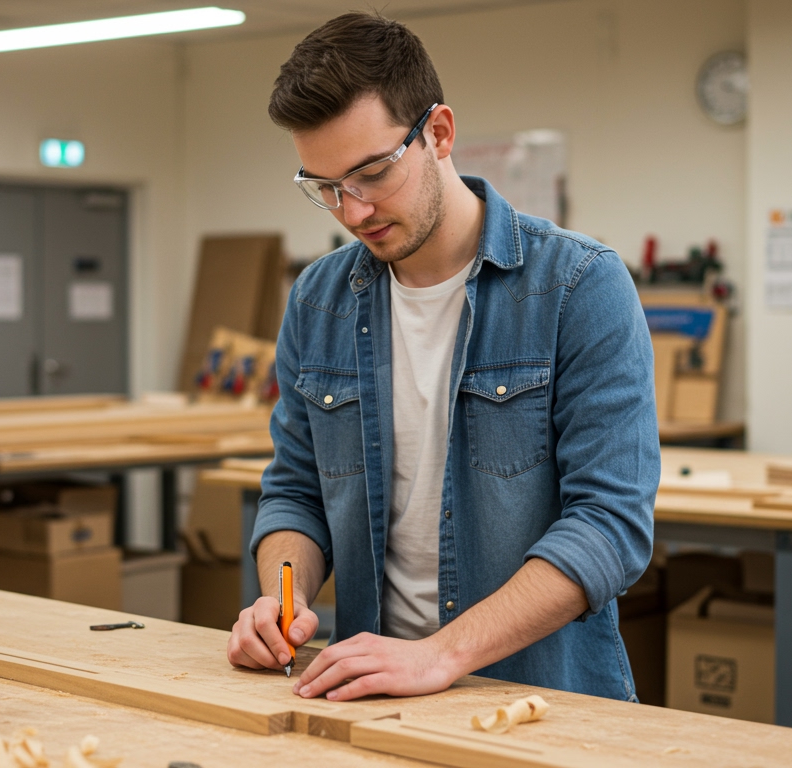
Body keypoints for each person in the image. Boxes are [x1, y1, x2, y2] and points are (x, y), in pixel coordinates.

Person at [227, 11, 659, 703]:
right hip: (371, 695)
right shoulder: (317, 300)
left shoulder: (578, 286)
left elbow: (610, 527)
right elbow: (296, 492)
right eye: (326, 188)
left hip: (538, 701)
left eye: (372, 173)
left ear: (439, 133)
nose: (353, 212)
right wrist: (282, 598)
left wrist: (440, 655)